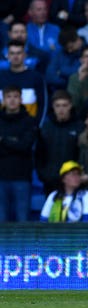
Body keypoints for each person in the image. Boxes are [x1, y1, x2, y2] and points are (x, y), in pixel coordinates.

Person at [0, 85, 38, 222]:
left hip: (22, 177)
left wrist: (3, 139)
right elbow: (20, 145)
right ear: (3, 100)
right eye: (8, 97)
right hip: (1, 177)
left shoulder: (29, 121)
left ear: (21, 99)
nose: (12, 100)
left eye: (15, 96)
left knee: (23, 222)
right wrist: (15, 142)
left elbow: (25, 146)